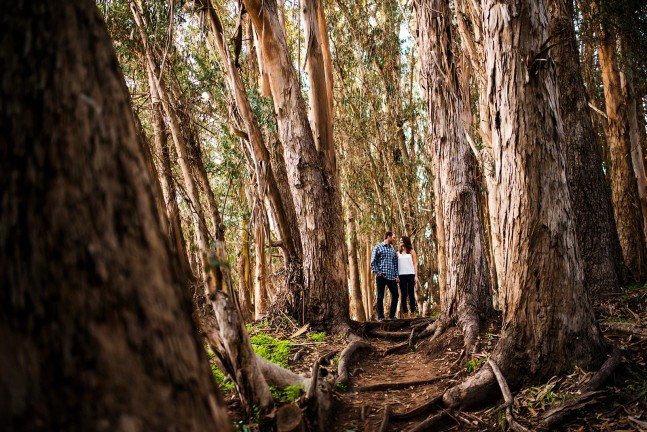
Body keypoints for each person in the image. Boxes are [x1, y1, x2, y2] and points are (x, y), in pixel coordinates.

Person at [370, 231, 399, 321]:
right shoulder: (378, 247)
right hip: (381, 276)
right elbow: (373, 262)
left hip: (392, 277)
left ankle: (391, 316)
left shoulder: (393, 250)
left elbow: (395, 264)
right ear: (388, 237)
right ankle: (381, 317)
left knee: (396, 295)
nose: (394, 239)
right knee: (380, 296)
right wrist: (378, 272)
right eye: (393, 237)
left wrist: (396, 276)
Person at [398, 236, 418, 318]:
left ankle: (413, 312)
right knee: (403, 294)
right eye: (400, 241)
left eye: (401, 240)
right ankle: (405, 313)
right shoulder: (398, 253)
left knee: (411, 293)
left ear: (406, 241)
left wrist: (416, 276)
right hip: (401, 275)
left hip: (410, 274)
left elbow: (415, 264)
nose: (400, 242)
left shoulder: (412, 251)